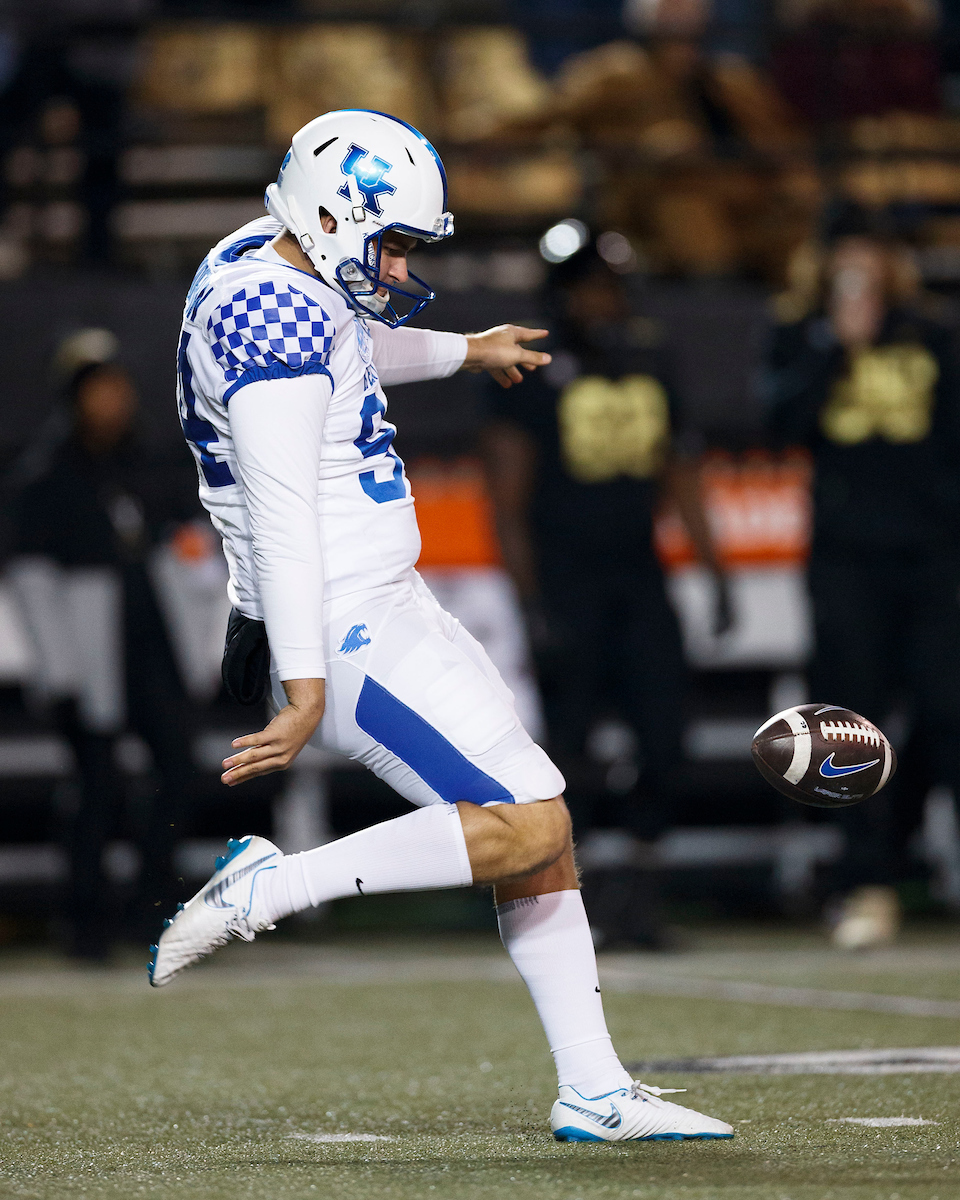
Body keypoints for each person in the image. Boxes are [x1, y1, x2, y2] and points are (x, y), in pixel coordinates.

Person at [150, 109, 733, 1144]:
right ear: (331, 216)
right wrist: (305, 686)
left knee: (533, 815)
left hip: (375, 601)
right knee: (532, 822)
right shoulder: (268, 318)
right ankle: (270, 886)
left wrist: (463, 350)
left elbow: (345, 351)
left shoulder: (264, 260)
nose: (403, 262)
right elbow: (284, 519)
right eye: (395, 242)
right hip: (341, 622)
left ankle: (594, 1089)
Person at [481, 237, 729, 948]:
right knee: (568, 746)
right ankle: (567, 900)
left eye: (609, 286)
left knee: (664, 733)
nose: (603, 300)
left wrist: (714, 570)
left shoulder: (650, 361)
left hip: (639, 575)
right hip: (568, 581)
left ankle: (642, 889)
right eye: (588, 287)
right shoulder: (530, 370)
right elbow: (507, 495)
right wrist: (529, 600)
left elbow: (679, 471)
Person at [765, 210, 960, 948]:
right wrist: (832, 349)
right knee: (853, 723)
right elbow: (780, 428)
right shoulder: (800, 331)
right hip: (847, 559)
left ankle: (907, 861)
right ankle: (864, 883)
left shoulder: (933, 333)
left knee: (946, 713)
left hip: (930, 555)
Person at [8, 330, 197, 957]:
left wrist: (199, 646)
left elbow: (183, 552)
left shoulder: (147, 464)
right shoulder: (48, 477)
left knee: (177, 770)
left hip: (151, 644)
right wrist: (58, 670)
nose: (111, 401)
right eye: (96, 389)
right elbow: (32, 580)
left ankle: (153, 911)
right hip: (89, 657)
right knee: (95, 785)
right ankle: (86, 919)